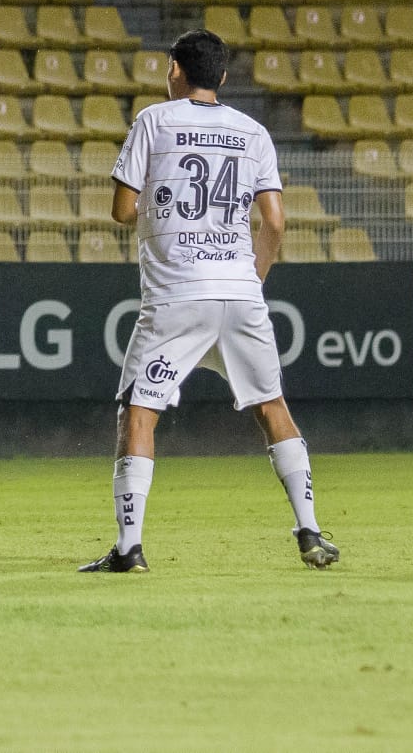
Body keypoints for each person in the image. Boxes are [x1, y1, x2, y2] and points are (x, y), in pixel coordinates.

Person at [79, 29, 341, 573]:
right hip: (241, 292)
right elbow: (274, 222)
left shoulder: (154, 120)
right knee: (272, 408)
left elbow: (122, 212)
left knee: (139, 412)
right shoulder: (253, 132)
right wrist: (251, 280)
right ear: (221, 77)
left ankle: (129, 548)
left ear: (173, 68)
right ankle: (310, 530)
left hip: (177, 294)